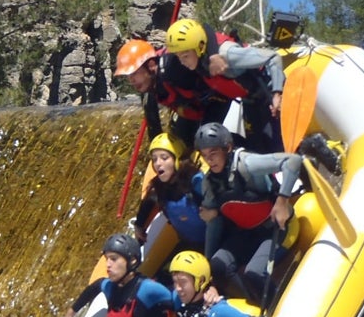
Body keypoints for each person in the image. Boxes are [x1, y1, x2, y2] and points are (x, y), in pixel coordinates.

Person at [196, 121, 303, 303]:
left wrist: (282, 200)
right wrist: (207, 264)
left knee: (253, 273)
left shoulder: (246, 163)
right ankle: (255, 301)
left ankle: (277, 303)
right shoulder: (210, 183)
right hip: (248, 233)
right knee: (217, 265)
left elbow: (293, 161)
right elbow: (213, 223)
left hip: (277, 228)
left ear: (227, 148)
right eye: (205, 155)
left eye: (213, 153)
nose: (209, 160)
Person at [165, 18, 286, 154]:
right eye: (179, 57)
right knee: (258, 150)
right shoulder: (201, 59)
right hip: (251, 102)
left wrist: (277, 94)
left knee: (275, 148)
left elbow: (273, 57)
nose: (182, 62)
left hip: (270, 95)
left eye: (185, 56)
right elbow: (205, 26)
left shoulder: (227, 54)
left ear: (199, 47)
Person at [62, 233, 174, 317]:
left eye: (114, 259)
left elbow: (179, 302)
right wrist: (70, 314)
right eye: (107, 259)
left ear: (132, 261)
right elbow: (94, 287)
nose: (108, 265)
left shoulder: (148, 289)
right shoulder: (110, 287)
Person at [113, 38, 214, 155]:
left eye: (134, 73)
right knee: (179, 147)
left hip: (217, 103)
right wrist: (157, 155)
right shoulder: (147, 90)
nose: (131, 80)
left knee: (207, 142)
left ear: (150, 65)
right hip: (193, 112)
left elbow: (211, 88)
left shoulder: (173, 68)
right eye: (128, 76)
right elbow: (153, 127)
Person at [133, 132, 208, 259]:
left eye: (164, 157)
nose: (158, 163)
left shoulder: (195, 180)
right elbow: (148, 202)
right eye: (154, 159)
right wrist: (139, 226)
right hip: (190, 244)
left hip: (214, 240)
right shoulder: (158, 188)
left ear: (177, 159)